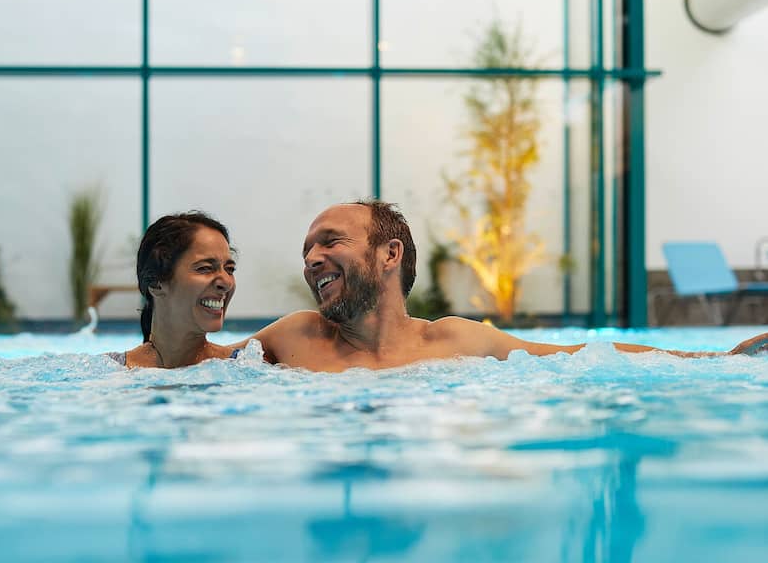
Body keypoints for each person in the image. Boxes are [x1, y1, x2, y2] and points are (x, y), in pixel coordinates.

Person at [228, 200, 768, 372]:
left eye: (329, 242)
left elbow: (584, 356)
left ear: (390, 254)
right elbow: (199, 361)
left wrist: (716, 360)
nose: (311, 260)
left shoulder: (456, 342)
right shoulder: (294, 337)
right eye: (307, 250)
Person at [108, 211, 237, 368]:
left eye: (230, 269)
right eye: (205, 268)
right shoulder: (109, 372)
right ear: (156, 283)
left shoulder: (244, 366)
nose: (226, 282)